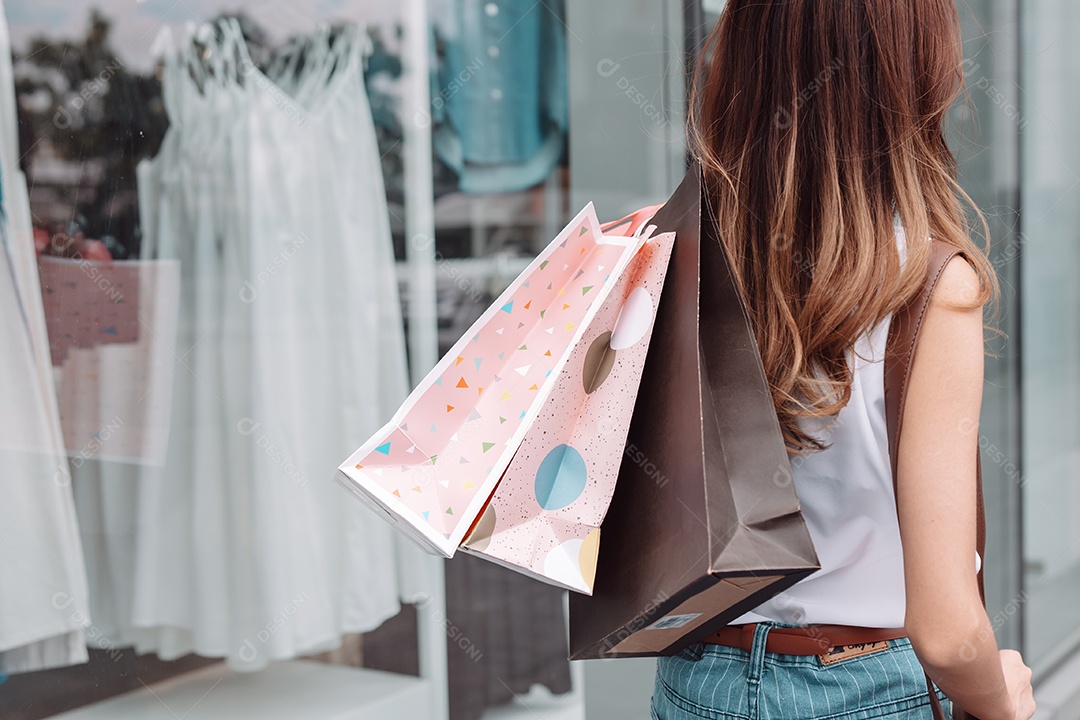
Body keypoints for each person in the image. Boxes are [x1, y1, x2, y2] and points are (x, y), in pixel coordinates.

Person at [650, 1, 1037, 719]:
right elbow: (948, 633)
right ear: (913, 77)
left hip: (695, 680)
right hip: (863, 687)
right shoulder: (927, 288)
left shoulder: (672, 257)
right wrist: (1003, 699)